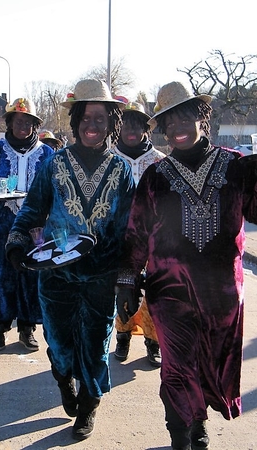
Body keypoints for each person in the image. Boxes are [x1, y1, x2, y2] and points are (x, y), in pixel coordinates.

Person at [116, 81, 257, 450]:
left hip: (222, 293)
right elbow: (137, 233)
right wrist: (127, 280)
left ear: (201, 117)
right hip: (168, 293)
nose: (176, 127)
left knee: (210, 367)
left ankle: (199, 421)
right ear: (160, 127)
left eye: (184, 117)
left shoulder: (237, 166)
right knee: (176, 368)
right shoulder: (155, 176)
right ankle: (180, 436)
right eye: (168, 121)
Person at [6, 79, 135, 440]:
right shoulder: (55, 163)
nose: (91, 125)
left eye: (100, 118)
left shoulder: (122, 170)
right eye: (85, 117)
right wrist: (17, 245)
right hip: (57, 273)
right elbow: (32, 210)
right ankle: (64, 379)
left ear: (112, 122)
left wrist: (127, 279)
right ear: (76, 120)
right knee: (60, 344)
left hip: (101, 276)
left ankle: (90, 405)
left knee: (95, 345)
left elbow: (130, 230)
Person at [0, 98, 55, 352]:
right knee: (3, 277)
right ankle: (0, 326)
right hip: (2, 225)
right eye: (18, 121)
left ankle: (27, 328)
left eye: (28, 121)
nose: (23, 125)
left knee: (31, 276)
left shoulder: (47, 153)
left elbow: (58, 188)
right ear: (9, 123)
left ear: (34, 124)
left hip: (35, 228)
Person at [110, 100, 166, 367]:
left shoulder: (161, 162)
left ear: (147, 128)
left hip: (155, 242)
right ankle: (122, 337)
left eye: (138, 124)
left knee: (154, 294)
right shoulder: (108, 159)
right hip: (121, 242)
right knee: (123, 288)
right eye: (126, 124)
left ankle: (152, 342)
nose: (131, 130)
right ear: (118, 127)